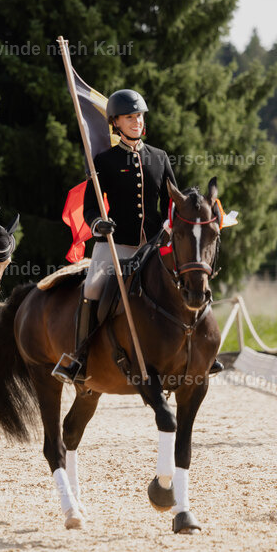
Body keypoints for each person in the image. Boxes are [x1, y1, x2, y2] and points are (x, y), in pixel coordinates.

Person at [52, 88, 177, 384]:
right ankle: (79, 358)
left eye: (139, 116)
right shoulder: (105, 161)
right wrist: (98, 225)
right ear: (115, 123)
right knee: (92, 288)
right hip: (116, 244)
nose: (136, 121)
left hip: (154, 245)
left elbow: (173, 201)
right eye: (129, 117)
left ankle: (197, 351)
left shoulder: (160, 158)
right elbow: (92, 208)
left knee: (187, 279)